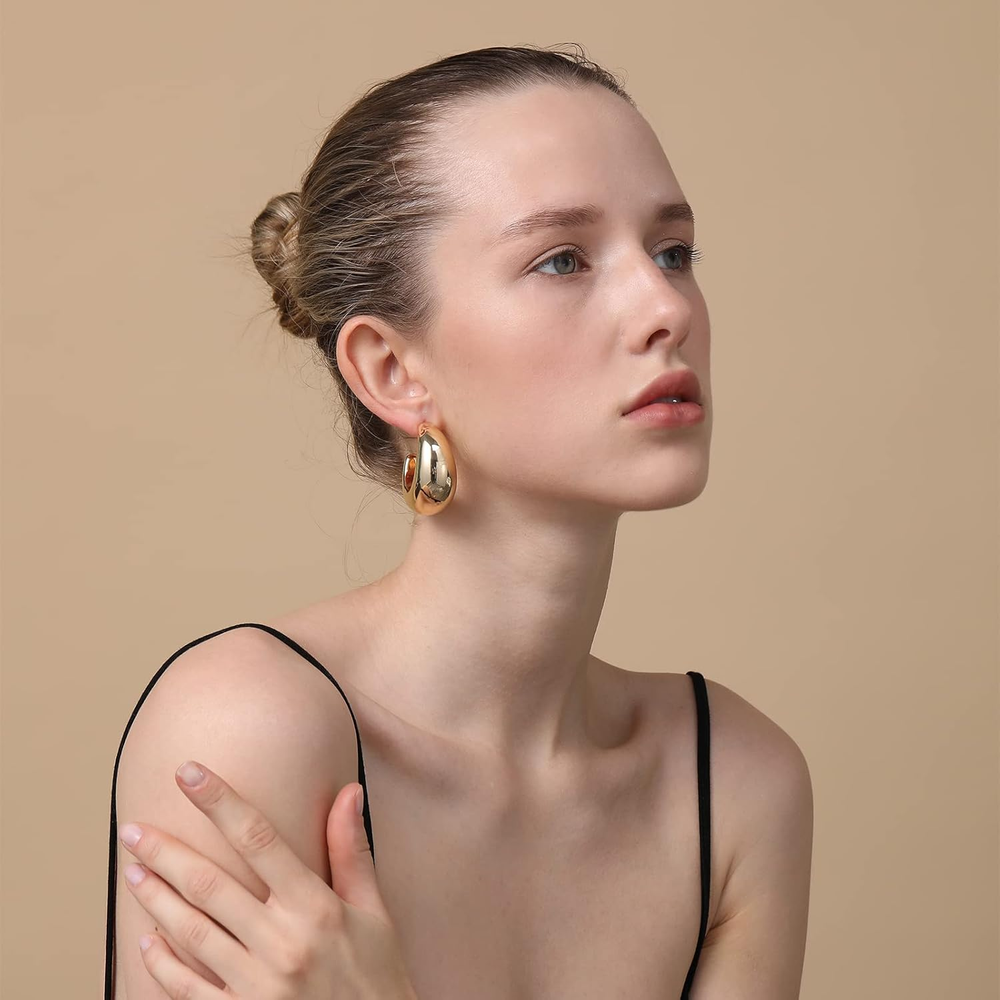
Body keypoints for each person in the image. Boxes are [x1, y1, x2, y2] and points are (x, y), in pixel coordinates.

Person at [105, 43, 813, 1000]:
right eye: (562, 260)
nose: (665, 308)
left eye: (673, 252)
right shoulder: (248, 730)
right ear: (394, 371)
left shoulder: (734, 785)